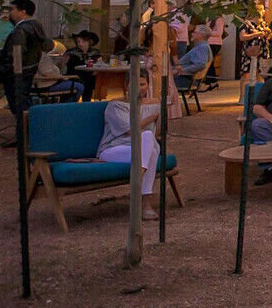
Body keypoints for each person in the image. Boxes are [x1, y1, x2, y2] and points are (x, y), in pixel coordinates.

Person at [97, 72, 167, 218]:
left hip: (142, 150)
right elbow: (130, 130)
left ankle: (139, 178)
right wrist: (151, 118)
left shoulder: (153, 104)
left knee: (150, 145)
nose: (139, 88)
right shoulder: (116, 106)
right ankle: (144, 198)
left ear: (147, 85)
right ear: (126, 86)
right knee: (148, 143)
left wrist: (162, 113)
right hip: (114, 149)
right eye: (134, 84)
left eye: (142, 84)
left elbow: (158, 132)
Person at [0, 0, 50, 148]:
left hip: (18, 73)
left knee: (19, 105)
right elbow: (48, 45)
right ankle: (26, 136)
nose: (10, 13)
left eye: (13, 9)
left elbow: (16, 52)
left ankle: (24, 137)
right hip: (27, 71)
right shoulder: (36, 27)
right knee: (22, 104)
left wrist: (7, 69)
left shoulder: (21, 29)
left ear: (22, 12)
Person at [64, 29, 102, 101]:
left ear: (89, 42)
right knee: (85, 81)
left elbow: (99, 64)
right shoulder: (71, 52)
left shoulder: (95, 52)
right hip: (75, 77)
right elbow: (65, 66)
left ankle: (88, 103)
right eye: (78, 42)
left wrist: (97, 66)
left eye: (83, 42)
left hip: (90, 77)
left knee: (94, 80)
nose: (80, 44)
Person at [175, 26, 213, 93]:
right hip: (183, 78)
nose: (192, 34)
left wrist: (181, 70)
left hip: (182, 80)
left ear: (201, 35)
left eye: (194, 32)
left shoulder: (202, 47)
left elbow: (200, 64)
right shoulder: (201, 46)